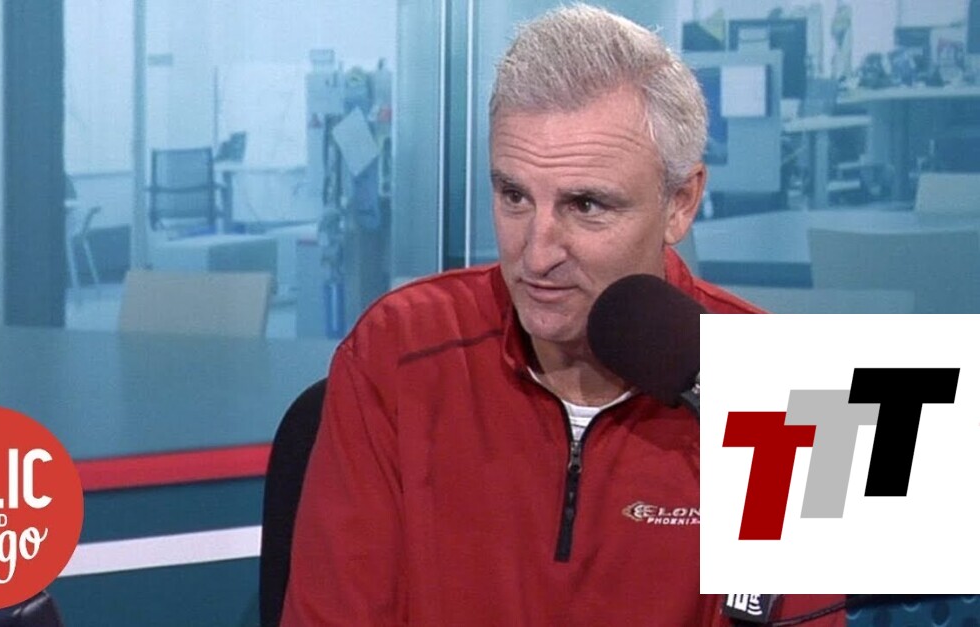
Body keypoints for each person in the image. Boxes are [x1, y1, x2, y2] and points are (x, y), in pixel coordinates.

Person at [282, 5, 844, 625]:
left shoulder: (779, 391)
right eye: (514, 196)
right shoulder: (395, 352)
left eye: (585, 205)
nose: (537, 254)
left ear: (680, 203)